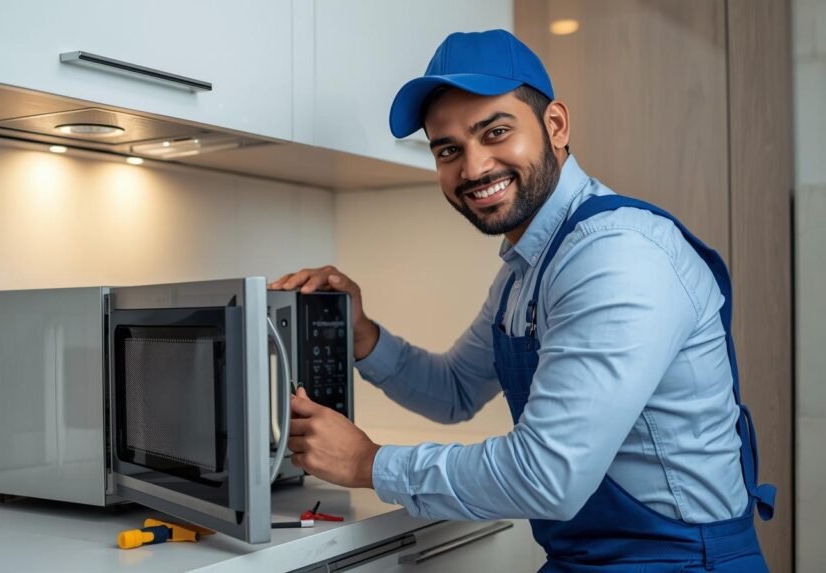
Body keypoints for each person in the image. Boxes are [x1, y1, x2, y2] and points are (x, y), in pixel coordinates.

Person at [270, 29, 776, 571]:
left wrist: (371, 463)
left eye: (495, 132)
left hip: (680, 562)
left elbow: (547, 475)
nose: (473, 168)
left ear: (555, 126)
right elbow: (454, 391)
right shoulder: (526, 271)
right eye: (448, 149)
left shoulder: (616, 255)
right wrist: (362, 333)